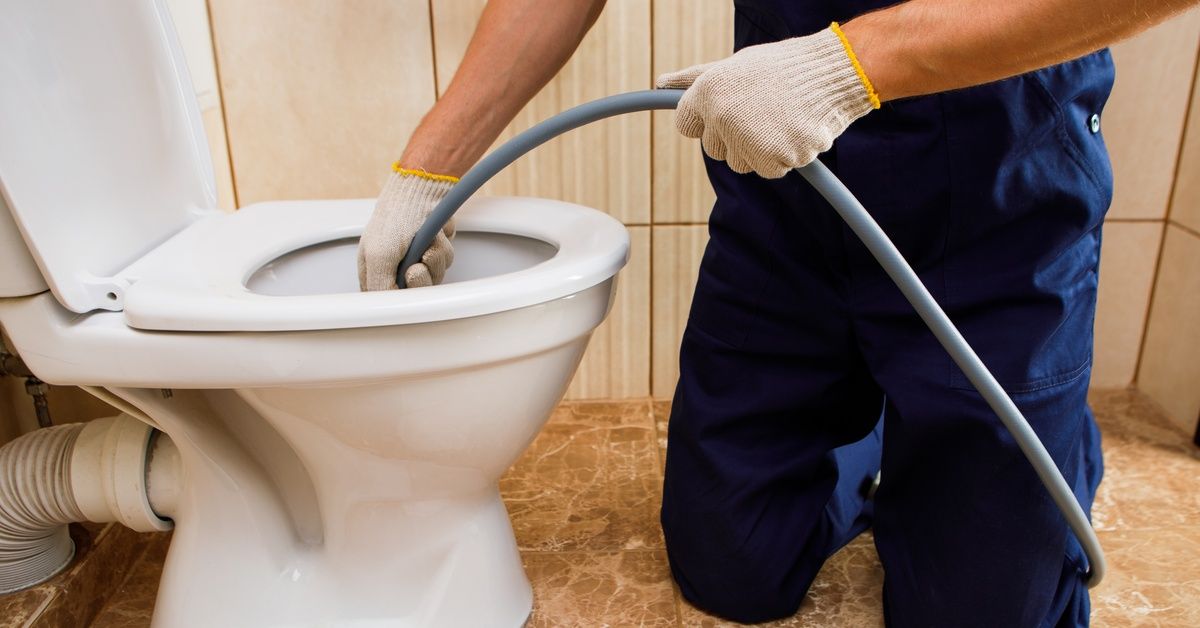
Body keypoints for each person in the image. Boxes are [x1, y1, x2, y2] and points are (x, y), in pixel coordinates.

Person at [357, 1, 1198, 625]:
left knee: (981, 611)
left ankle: (1032, 448)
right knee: (729, 567)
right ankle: (890, 434)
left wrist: (852, 64)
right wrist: (431, 170)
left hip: (997, 205)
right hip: (789, 204)